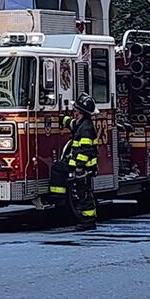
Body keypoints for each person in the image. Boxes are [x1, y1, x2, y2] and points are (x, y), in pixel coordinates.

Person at [46, 93, 99, 231]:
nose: (74, 113)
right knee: (59, 168)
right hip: (79, 164)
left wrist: (80, 167)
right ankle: (60, 198)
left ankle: (88, 221)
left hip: (83, 166)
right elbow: (71, 124)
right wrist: (62, 118)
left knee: (83, 193)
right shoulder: (81, 124)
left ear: (80, 113)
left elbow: (85, 151)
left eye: (75, 110)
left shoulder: (86, 128)